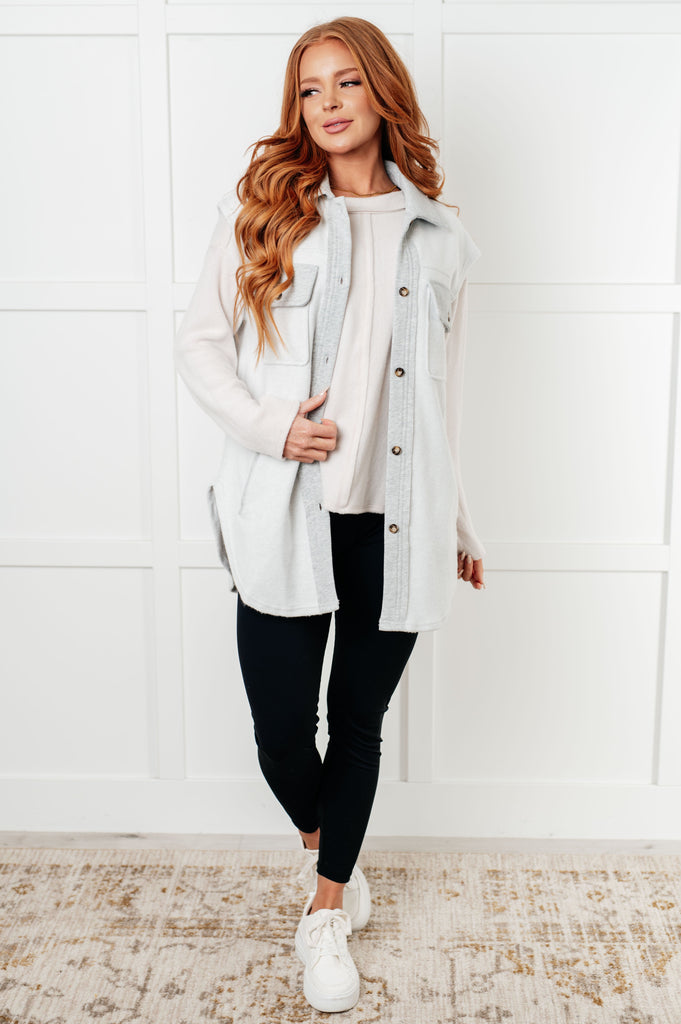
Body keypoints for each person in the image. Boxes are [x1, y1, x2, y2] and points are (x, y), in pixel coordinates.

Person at [174, 15, 486, 1014]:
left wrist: (458, 523)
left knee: (357, 725)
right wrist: (272, 427)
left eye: (347, 82)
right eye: (310, 89)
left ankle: (326, 907)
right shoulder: (267, 213)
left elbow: (443, 395)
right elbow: (199, 345)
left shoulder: (442, 239)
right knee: (279, 731)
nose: (329, 103)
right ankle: (329, 842)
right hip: (283, 512)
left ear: (382, 91)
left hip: (398, 519)